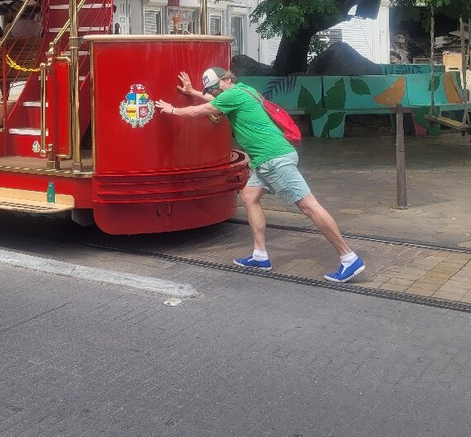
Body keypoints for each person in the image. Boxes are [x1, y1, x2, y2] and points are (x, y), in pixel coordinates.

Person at [154, 66, 365, 283]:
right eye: (212, 90)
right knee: (249, 196)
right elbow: (216, 102)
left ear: (226, 79)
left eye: (215, 87)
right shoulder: (245, 90)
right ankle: (260, 255)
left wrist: (172, 110)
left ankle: (348, 257)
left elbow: (201, 111)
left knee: (309, 207)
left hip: (274, 159)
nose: (215, 92)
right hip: (267, 160)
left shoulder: (232, 95)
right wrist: (193, 92)